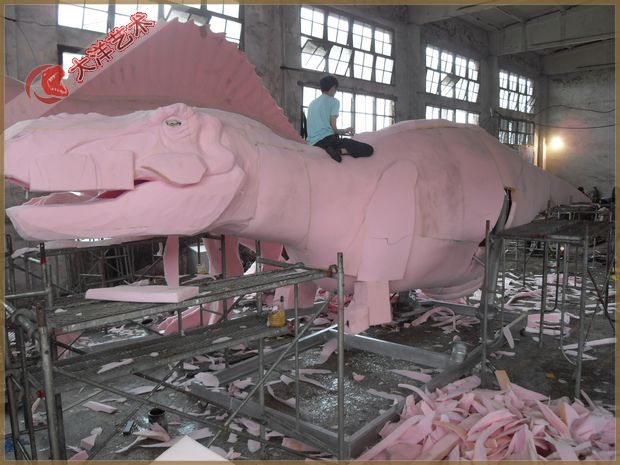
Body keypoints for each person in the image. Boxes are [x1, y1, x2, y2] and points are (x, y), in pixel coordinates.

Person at [306, 75, 374, 163]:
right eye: (336, 89)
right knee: (369, 149)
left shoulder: (312, 104)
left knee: (333, 141)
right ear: (333, 88)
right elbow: (334, 128)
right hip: (329, 140)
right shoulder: (334, 101)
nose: (335, 92)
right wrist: (345, 131)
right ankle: (340, 151)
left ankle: (330, 149)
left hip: (313, 143)